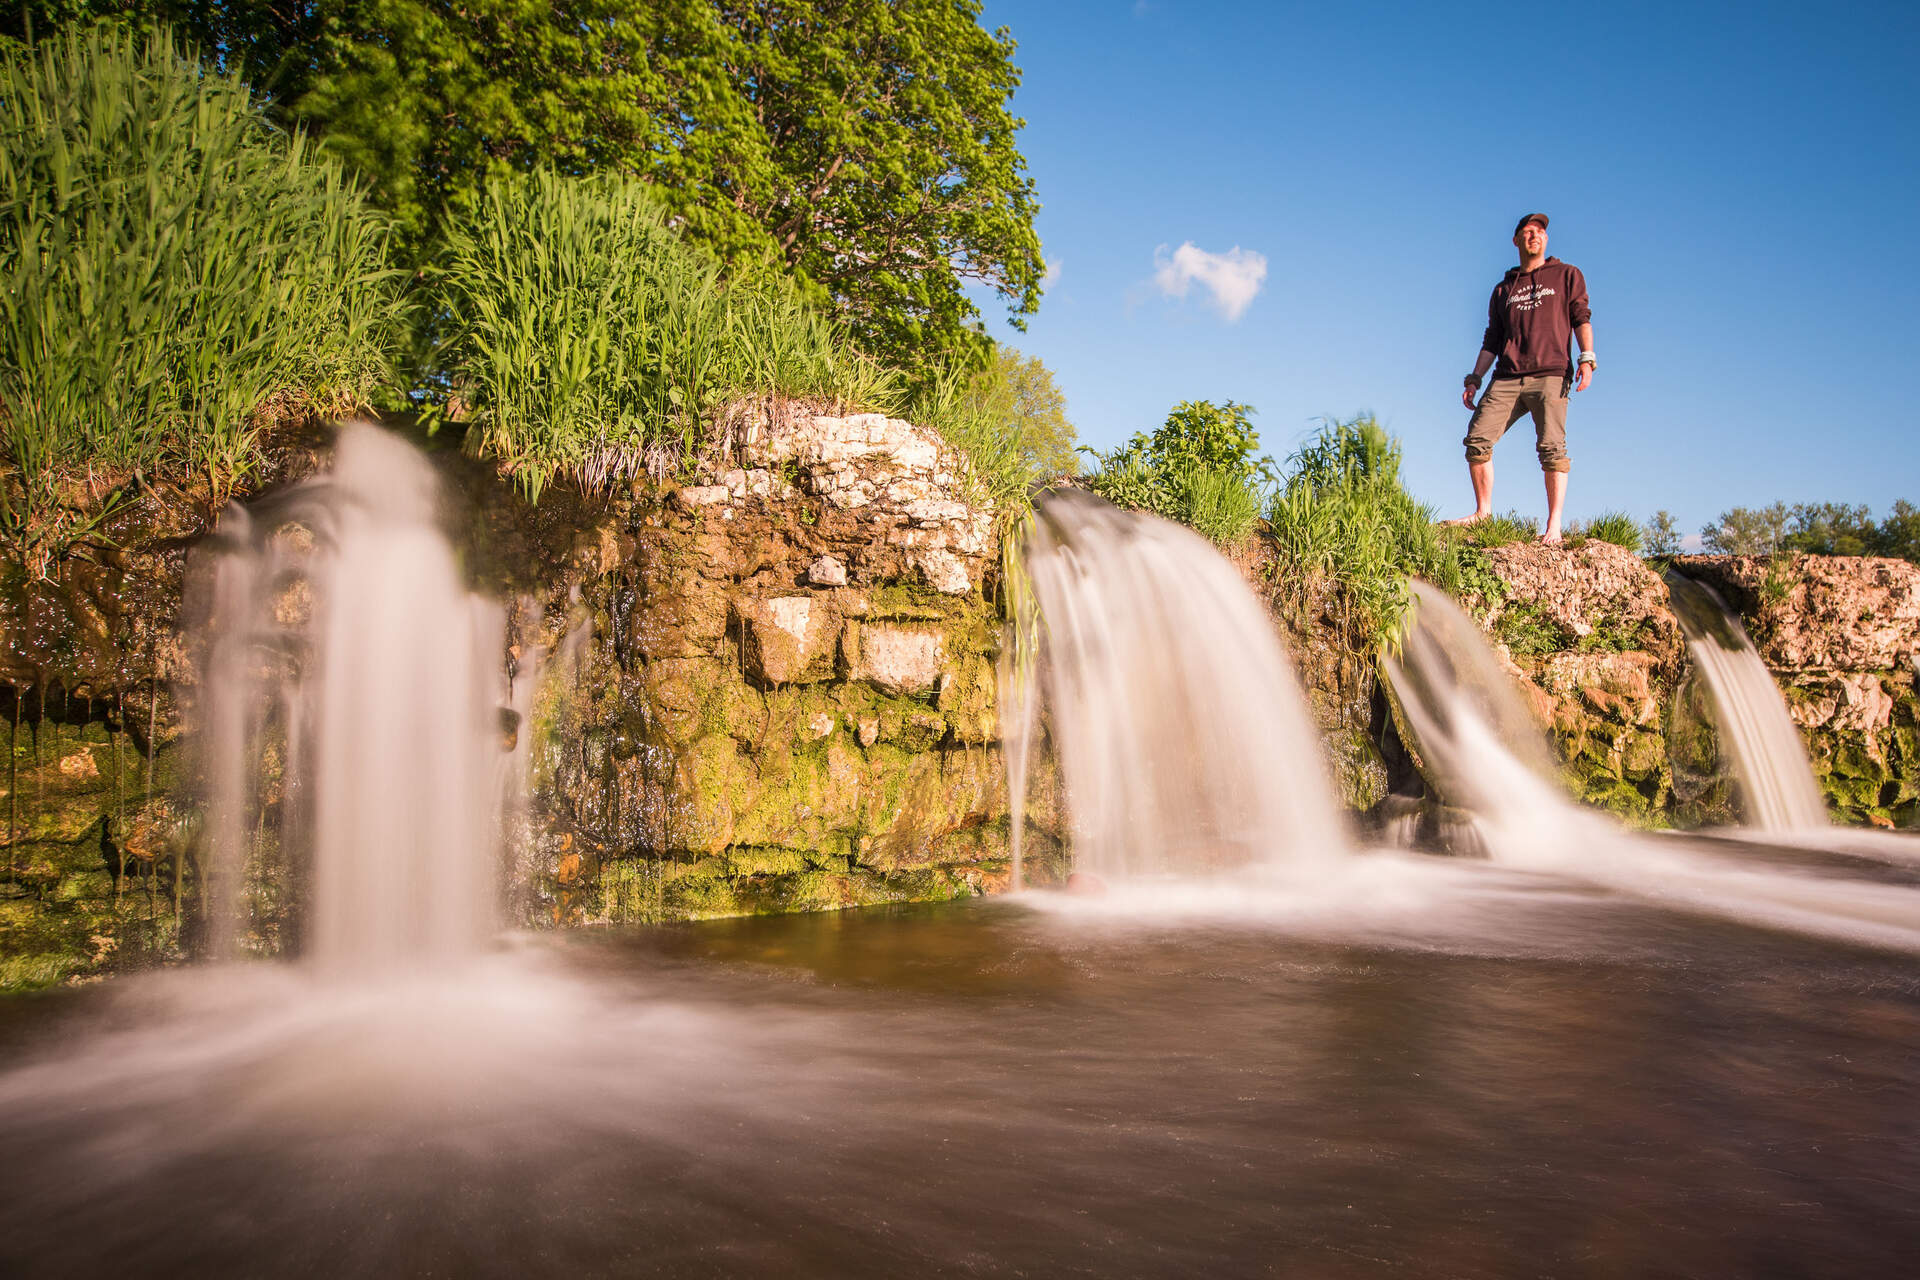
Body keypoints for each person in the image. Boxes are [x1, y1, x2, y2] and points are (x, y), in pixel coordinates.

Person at [1450, 213, 1594, 542]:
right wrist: (1474, 377)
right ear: (1516, 241)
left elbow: (1581, 317)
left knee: (1552, 449)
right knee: (1477, 440)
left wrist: (1587, 356)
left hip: (1551, 373)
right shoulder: (1503, 290)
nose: (1535, 237)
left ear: (1546, 239)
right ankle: (1483, 513)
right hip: (1507, 376)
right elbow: (1492, 340)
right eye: (1528, 232)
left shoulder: (1567, 275)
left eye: (1540, 232)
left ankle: (1553, 527)